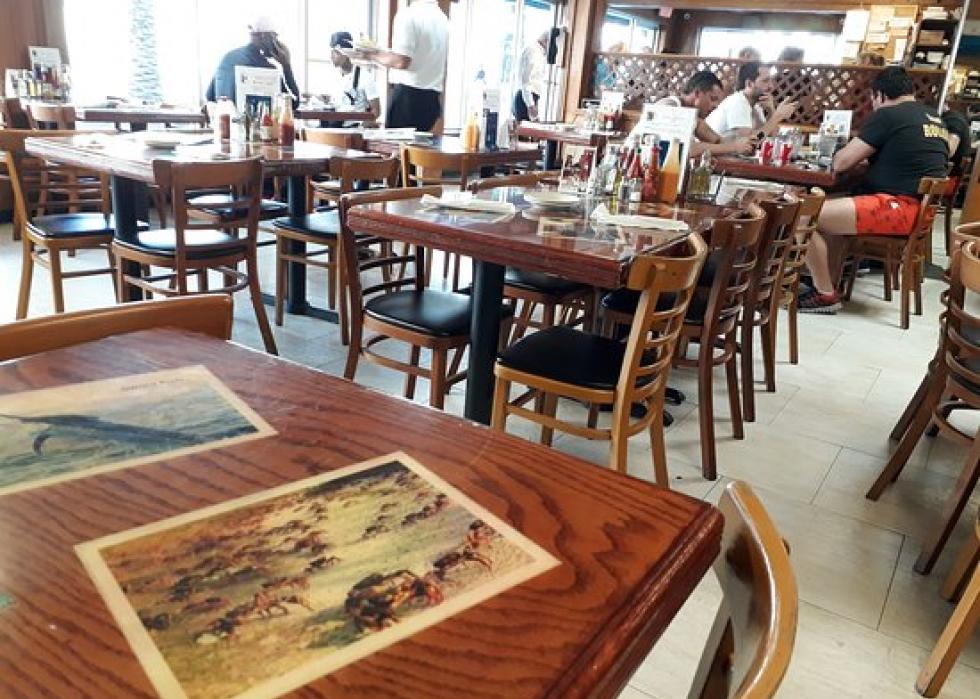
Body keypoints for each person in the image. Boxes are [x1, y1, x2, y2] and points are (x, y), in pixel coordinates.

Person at [800, 67, 949, 314]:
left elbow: (841, 162)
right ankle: (827, 280)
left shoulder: (889, 115)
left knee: (803, 215)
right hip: (918, 211)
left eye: (873, 99)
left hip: (897, 208)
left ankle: (825, 294)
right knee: (832, 205)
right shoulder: (933, 117)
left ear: (880, 95)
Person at [358, 0, 450, 132]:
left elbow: (401, 61)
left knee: (396, 144)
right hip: (432, 98)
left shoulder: (408, 15)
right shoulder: (442, 18)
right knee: (418, 144)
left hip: (408, 99)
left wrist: (369, 55)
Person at [655, 71, 755, 158]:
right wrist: (734, 147)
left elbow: (717, 140)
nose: (715, 106)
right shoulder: (670, 107)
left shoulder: (692, 116)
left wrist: (745, 144)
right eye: (713, 99)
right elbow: (688, 149)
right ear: (697, 93)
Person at [206, 17, 299, 106]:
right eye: (274, 37)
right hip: (255, 117)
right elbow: (294, 102)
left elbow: (209, 96)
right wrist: (286, 66)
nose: (277, 42)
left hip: (225, 115)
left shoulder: (227, 58)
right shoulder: (268, 69)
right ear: (265, 36)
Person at [705, 61, 797, 140]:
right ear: (749, 83)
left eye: (771, 81)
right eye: (765, 81)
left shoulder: (756, 105)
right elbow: (750, 141)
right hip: (709, 154)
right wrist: (777, 116)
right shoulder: (738, 102)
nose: (771, 86)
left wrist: (771, 110)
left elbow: (771, 136)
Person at [328, 32, 380, 125]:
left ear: (347, 53)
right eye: (331, 52)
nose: (331, 57)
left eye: (336, 52)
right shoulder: (333, 77)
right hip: (335, 126)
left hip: (356, 128)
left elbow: (376, 110)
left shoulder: (365, 76)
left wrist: (364, 125)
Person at [514, 31, 548, 122]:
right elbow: (526, 80)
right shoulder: (533, 52)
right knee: (526, 130)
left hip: (529, 97)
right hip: (526, 97)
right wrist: (531, 105)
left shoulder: (537, 52)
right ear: (546, 41)